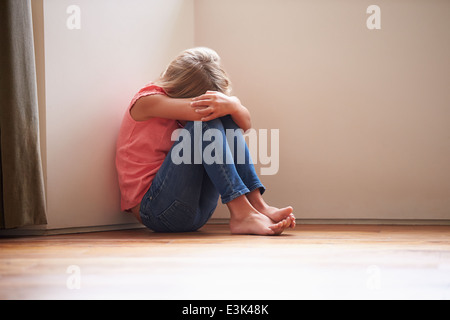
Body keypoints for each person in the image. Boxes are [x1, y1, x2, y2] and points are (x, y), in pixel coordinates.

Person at [116, 47, 295, 235]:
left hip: (196, 210)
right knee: (205, 121)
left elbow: (245, 124)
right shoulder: (147, 101)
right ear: (178, 92)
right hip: (156, 210)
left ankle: (257, 205)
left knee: (226, 117)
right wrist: (232, 102)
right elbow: (205, 114)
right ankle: (242, 213)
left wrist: (233, 105)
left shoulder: (181, 104)